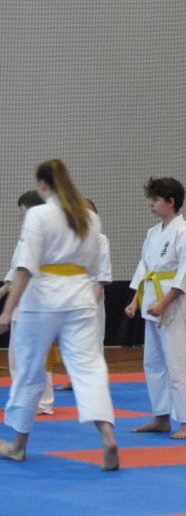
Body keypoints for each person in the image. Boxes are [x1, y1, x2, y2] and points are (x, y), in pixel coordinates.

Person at [0, 159, 118, 470]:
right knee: (89, 368)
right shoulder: (88, 216)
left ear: (43, 184)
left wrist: (7, 310)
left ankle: (17, 446)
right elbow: (92, 268)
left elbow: (25, 267)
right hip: (80, 295)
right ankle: (107, 435)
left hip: (42, 296)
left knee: (29, 369)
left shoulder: (38, 215)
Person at [125, 177, 186, 439]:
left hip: (174, 305)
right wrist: (136, 300)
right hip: (151, 301)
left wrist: (164, 302)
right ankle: (161, 416)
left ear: (171, 202)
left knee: (178, 364)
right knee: (153, 364)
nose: (151, 204)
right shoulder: (153, 233)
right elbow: (144, 269)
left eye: (155, 199)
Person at [1, 191, 55, 414]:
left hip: (39, 304)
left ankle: (42, 402)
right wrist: (4, 290)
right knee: (16, 356)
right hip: (21, 304)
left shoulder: (48, 237)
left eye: (21, 210)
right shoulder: (26, 237)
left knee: (36, 355)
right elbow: (17, 269)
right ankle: (23, 398)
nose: (19, 214)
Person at [58, 199, 111, 393]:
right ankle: (74, 379)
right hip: (70, 294)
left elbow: (103, 271)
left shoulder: (100, 239)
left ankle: (95, 381)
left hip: (91, 293)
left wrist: (94, 297)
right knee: (70, 339)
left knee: (93, 338)